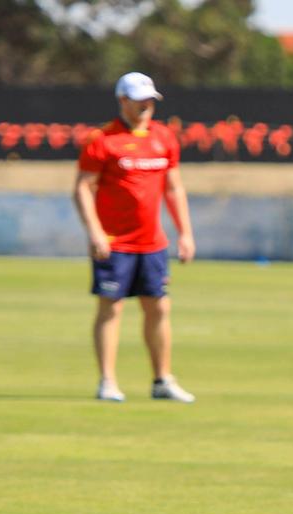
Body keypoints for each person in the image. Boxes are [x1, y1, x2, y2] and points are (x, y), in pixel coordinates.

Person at [73, 72, 196, 403]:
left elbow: (173, 187)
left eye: (149, 100)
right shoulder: (102, 139)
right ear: (122, 101)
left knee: (158, 308)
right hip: (114, 243)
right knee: (110, 309)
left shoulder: (164, 138)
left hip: (152, 243)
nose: (145, 105)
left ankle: (162, 380)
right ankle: (108, 381)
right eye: (138, 99)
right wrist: (95, 231)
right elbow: (83, 188)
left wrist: (185, 232)